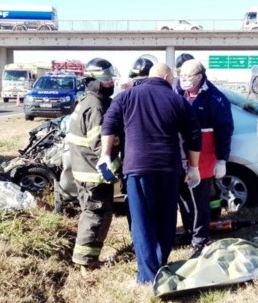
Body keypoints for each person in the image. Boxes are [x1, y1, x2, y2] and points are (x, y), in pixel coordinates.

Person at [100, 63, 202, 284]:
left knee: (142, 220)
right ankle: (160, 265)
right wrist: (193, 167)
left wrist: (105, 155)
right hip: (168, 168)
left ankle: (147, 275)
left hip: (137, 168)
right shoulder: (178, 100)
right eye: (173, 78)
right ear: (166, 77)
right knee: (165, 219)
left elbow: (108, 124)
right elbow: (194, 136)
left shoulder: (127, 96)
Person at [175, 59, 234, 256]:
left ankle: (200, 238)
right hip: (180, 154)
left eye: (188, 77)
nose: (183, 80)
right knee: (184, 198)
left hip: (203, 156)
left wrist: (222, 159)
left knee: (199, 200)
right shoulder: (177, 91)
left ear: (199, 77)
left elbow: (225, 130)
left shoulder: (215, 98)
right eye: (181, 75)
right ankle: (189, 231)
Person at [66, 58, 119, 270]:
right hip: (93, 174)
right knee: (95, 215)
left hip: (84, 170)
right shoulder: (96, 107)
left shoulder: (87, 101)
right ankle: (86, 261)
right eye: (106, 80)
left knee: (94, 213)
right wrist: (117, 166)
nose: (110, 83)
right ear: (94, 81)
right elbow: (100, 146)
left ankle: (88, 259)